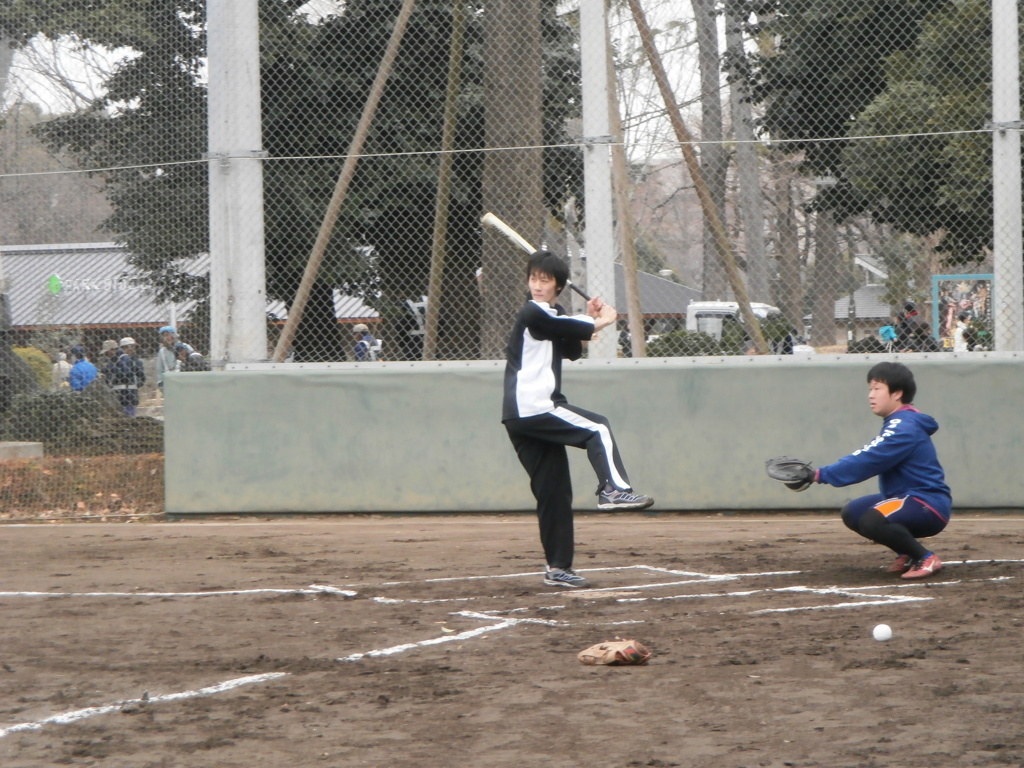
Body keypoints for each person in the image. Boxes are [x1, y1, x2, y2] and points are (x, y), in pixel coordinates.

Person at [502, 250, 654, 589]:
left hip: (522, 416)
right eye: (533, 279)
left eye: (545, 280)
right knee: (596, 427)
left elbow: (570, 347)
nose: (537, 286)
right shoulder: (533, 312)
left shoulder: (551, 314)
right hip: (535, 407)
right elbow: (561, 326)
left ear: (557, 286)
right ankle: (614, 489)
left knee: (554, 492)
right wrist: (604, 320)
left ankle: (558, 568)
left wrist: (588, 317)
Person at [791, 362, 950, 580]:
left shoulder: (904, 426)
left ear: (897, 393)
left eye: (877, 388)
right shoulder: (899, 421)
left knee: (871, 520)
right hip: (907, 498)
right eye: (870, 389)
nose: (870, 395)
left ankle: (926, 557)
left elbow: (868, 459)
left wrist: (819, 474)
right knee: (853, 512)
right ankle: (907, 553)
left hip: (926, 503)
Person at [108, 337, 146, 416]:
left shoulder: (136, 361)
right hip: (118, 394)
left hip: (131, 394)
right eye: (128, 347)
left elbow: (142, 378)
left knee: (130, 415)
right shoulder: (116, 361)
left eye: (133, 346)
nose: (131, 349)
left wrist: (135, 385)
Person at [156, 325, 183, 390]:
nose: (166, 338)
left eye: (168, 335)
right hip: (168, 381)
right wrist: (160, 382)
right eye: (164, 336)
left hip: (182, 380)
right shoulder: (162, 351)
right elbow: (159, 368)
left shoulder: (183, 347)